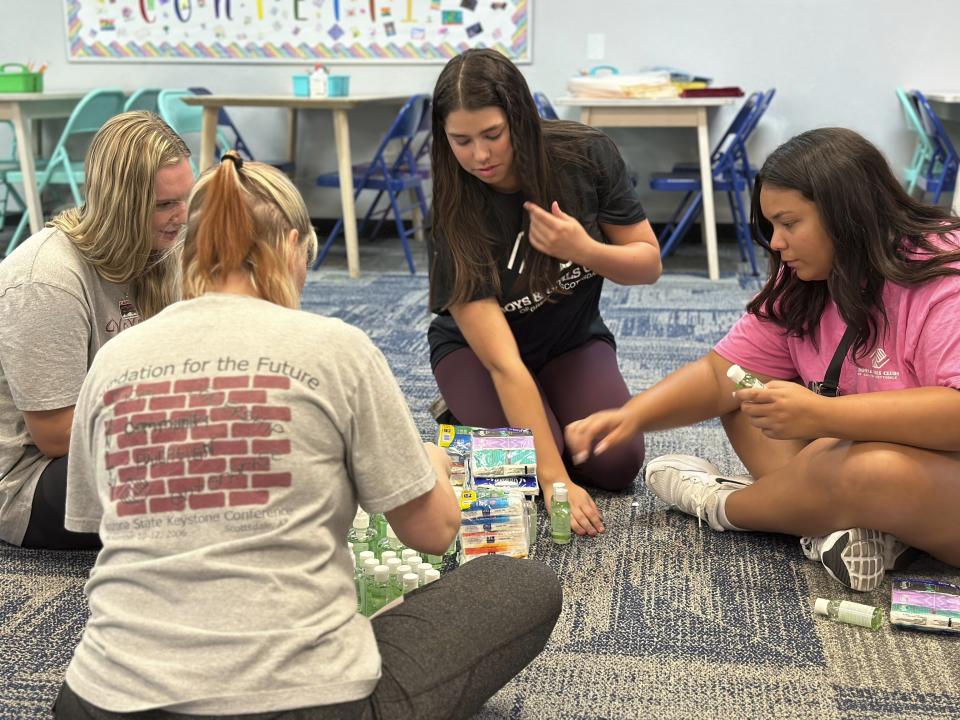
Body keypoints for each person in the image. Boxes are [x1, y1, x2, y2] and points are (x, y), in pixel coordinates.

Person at [55, 153, 562, 718]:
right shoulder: (336, 348)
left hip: (99, 698)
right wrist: (431, 466)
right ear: (293, 246)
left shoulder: (115, 358)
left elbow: (100, 526)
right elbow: (434, 533)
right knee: (521, 585)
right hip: (301, 703)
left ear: (187, 252)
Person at [566, 127, 960, 592]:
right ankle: (849, 528)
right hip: (847, 462)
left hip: (936, 477)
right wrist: (632, 417)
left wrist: (823, 414)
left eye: (789, 224)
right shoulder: (804, 277)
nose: (775, 242)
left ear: (847, 213)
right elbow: (721, 376)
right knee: (749, 392)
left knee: (868, 469)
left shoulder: (941, 273)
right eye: (771, 227)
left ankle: (725, 505)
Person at [427, 49, 662, 537]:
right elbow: (504, 364)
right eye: (461, 141)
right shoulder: (453, 214)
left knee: (617, 464)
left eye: (492, 135)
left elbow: (648, 266)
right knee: (533, 475)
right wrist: (555, 479)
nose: (481, 155)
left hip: (570, 341)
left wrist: (584, 248)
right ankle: (464, 422)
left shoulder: (586, 155)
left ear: (521, 118)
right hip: (480, 357)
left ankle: (527, 429)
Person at [0, 111, 192, 551]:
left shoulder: (160, 249)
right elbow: (54, 436)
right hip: (29, 481)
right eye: (165, 205)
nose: (182, 217)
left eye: (186, 199)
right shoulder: (45, 278)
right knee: (189, 472)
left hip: (119, 436)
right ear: (119, 203)